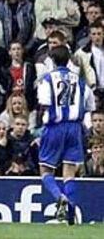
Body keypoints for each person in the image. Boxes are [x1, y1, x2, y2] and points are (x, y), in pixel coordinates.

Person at [37, 46, 95, 224]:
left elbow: (45, 102)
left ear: (52, 61)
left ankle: (59, 197)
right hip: (75, 127)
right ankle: (71, 214)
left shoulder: (47, 79)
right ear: (69, 60)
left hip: (55, 127)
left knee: (46, 169)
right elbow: (90, 106)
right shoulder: (80, 81)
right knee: (69, 171)